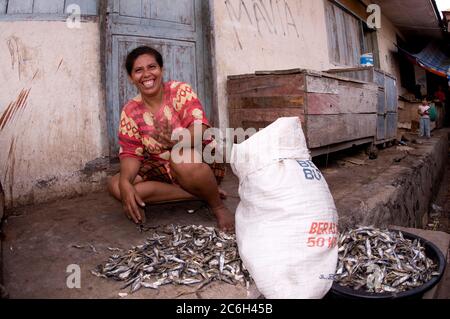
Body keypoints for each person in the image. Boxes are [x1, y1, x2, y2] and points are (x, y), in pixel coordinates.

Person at [107, 46, 234, 232]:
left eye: (152, 67)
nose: (147, 74)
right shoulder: (130, 110)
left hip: (199, 161)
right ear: (130, 78)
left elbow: (200, 129)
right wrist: (126, 182)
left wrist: (176, 141)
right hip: (161, 167)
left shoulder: (179, 91)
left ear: (161, 69)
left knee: (181, 158)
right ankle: (200, 194)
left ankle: (217, 205)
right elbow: (130, 153)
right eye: (138, 70)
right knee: (117, 186)